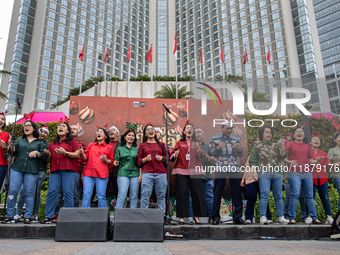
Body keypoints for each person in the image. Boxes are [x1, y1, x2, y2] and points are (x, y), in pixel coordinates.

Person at [4, 119, 46, 224]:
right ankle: (10, 215)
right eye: (25, 125)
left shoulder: (39, 142)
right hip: (17, 169)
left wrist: (37, 153)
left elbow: (44, 156)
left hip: (32, 170)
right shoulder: (19, 140)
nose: (26, 127)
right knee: (13, 191)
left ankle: (27, 216)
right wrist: (11, 144)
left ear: (34, 128)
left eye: (29, 125)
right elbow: (12, 152)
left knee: (29, 193)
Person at [41, 118, 80, 224]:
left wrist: (65, 153)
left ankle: (68, 216)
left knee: (68, 193)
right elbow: (49, 159)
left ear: (68, 131)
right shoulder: (52, 143)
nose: (60, 127)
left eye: (63, 126)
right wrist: (48, 155)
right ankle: (48, 215)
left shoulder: (72, 141)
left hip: (69, 170)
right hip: (55, 170)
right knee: (52, 192)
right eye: (59, 126)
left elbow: (77, 154)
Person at [249, 126, 289, 224]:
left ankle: (280, 216)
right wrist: (254, 172)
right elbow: (252, 160)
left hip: (277, 172)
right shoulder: (257, 146)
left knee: (278, 195)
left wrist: (282, 148)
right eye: (266, 132)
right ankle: (263, 217)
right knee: (264, 194)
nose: (269, 134)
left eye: (270, 132)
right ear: (261, 134)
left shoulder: (276, 145)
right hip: (264, 172)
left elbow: (283, 156)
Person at [208, 122, 245, 225]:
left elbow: (241, 154)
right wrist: (218, 148)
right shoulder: (215, 138)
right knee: (218, 191)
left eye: (231, 129)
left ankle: (237, 217)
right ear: (222, 128)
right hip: (220, 167)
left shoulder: (235, 139)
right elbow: (210, 153)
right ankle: (215, 217)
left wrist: (239, 150)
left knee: (236, 192)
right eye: (227, 128)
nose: (229, 130)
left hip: (233, 167)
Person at [170, 122, 207, 224]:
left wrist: (199, 149)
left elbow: (202, 156)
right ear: (184, 131)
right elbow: (172, 156)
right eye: (187, 128)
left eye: (191, 128)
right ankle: (182, 217)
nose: (189, 129)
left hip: (195, 171)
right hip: (181, 171)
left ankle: (197, 217)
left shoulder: (197, 143)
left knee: (197, 193)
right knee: (182, 194)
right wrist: (175, 154)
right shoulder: (179, 142)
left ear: (193, 132)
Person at [284, 126, 322, 224]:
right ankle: (291, 217)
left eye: (301, 131)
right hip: (294, 171)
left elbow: (310, 160)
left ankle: (314, 217)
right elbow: (282, 157)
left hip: (307, 171)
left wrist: (317, 161)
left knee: (309, 195)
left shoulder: (307, 146)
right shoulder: (289, 144)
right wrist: (290, 162)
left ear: (304, 135)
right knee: (295, 194)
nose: (299, 133)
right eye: (297, 132)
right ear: (294, 135)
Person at [15, 125, 50, 221]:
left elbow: (48, 159)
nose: (42, 134)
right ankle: (18, 213)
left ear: (47, 135)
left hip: (40, 170)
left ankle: (34, 214)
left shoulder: (47, 145)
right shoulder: (29, 141)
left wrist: (46, 155)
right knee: (22, 191)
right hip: (28, 170)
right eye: (41, 132)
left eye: (45, 132)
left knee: (36, 193)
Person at [53, 124, 86, 222]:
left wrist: (82, 172)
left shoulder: (81, 143)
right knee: (59, 193)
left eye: (75, 129)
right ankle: (57, 214)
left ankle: (73, 213)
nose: (72, 130)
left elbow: (83, 159)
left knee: (74, 193)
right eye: (71, 129)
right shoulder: (60, 142)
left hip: (74, 171)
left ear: (78, 132)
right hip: (60, 171)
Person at [80, 127, 114, 208]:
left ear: (105, 136)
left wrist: (106, 160)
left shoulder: (109, 147)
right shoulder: (91, 145)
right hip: (88, 173)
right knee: (86, 194)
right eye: (97, 131)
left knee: (101, 196)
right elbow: (85, 159)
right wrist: (82, 154)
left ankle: (102, 217)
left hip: (102, 174)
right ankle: (84, 215)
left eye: (101, 131)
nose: (98, 133)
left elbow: (111, 162)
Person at [138, 124, 167, 215]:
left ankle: (162, 217)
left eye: (152, 129)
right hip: (147, 173)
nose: (151, 130)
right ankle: (144, 216)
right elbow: (139, 161)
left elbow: (167, 158)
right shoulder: (142, 145)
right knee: (145, 196)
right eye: (148, 129)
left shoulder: (161, 144)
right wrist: (145, 159)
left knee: (161, 196)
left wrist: (162, 158)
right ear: (145, 134)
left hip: (161, 173)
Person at [310, 133, 333, 224]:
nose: (316, 141)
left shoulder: (323, 153)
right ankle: (310, 215)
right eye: (314, 139)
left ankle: (329, 216)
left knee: (325, 198)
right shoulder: (308, 152)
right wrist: (316, 162)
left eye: (318, 140)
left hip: (323, 178)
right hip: (311, 178)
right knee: (311, 197)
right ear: (310, 142)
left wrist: (331, 161)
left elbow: (328, 167)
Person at [114, 125, 140, 209]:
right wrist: (116, 163)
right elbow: (116, 161)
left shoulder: (137, 149)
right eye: (129, 135)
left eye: (133, 136)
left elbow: (140, 162)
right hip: (123, 173)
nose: (131, 137)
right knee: (122, 194)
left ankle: (133, 216)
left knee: (134, 196)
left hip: (135, 174)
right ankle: (118, 216)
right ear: (125, 137)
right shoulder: (119, 149)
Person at [328, 132, 340, 213]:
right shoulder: (332, 150)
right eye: (339, 137)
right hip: (337, 175)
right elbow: (329, 165)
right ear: (335, 140)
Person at [107, 126, 120, 200]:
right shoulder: (105, 144)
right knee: (104, 191)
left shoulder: (121, 145)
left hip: (117, 171)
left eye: (113, 130)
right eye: (110, 130)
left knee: (117, 191)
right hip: (105, 171)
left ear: (117, 134)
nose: (111, 131)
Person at [0, 112, 10, 189]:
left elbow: (10, 152)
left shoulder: (7, 135)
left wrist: (4, 148)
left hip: (2, 164)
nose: (1, 120)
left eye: (2, 119)